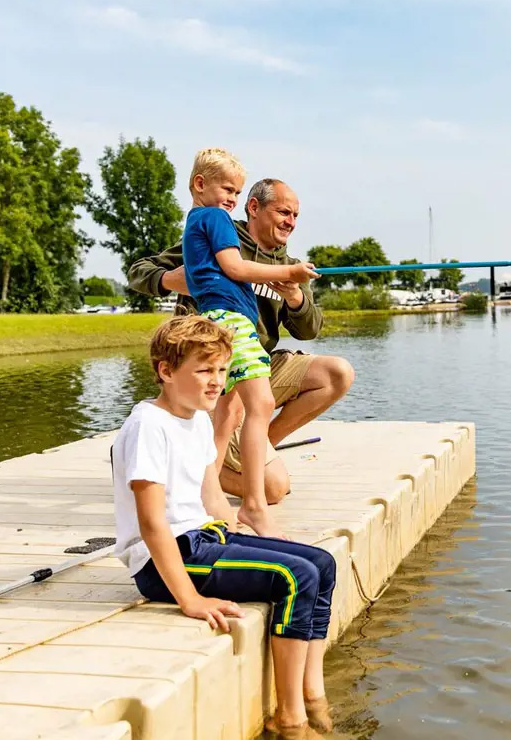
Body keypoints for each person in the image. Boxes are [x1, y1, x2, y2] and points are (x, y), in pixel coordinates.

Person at [112, 316, 333, 739]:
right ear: (166, 371)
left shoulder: (197, 418)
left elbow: (211, 496)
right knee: (296, 577)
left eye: (221, 370)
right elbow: (152, 523)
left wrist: (251, 540)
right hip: (165, 561)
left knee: (321, 563)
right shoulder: (148, 426)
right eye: (204, 371)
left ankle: (313, 692)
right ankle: (290, 717)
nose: (217, 382)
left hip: (204, 540)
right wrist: (190, 599)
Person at [127, 178, 355, 505]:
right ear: (254, 208)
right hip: (212, 375)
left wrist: (295, 298)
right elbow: (138, 271)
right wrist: (173, 279)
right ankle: (193, 468)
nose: (291, 222)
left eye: (295, 216)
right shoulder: (216, 234)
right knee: (274, 488)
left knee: (337, 373)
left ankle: (257, 446)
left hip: (256, 366)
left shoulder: (290, 266)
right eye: (283, 212)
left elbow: (310, 331)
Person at [180, 148, 319, 538]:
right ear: (200, 184)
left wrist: (291, 285)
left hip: (216, 318)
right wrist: (289, 271)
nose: (233, 200)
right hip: (232, 319)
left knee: (227, 415)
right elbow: (235, 267)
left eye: (237, 193)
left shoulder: (196, 220)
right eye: (228, 190)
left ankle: (208, 498)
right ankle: (255, 506)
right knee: (260, 405)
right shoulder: (216, 219)